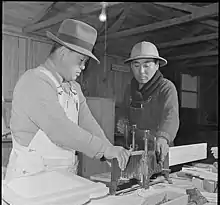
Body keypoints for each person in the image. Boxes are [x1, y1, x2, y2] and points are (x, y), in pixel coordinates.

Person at [5, 19, 130, 182]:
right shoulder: (34, 81)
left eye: (86, 62)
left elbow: (88, 123)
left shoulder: (74, 89)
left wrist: (109, 149)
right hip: (30, 181)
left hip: (63, 179)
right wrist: (103, 149)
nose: (84, 67)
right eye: (81, 60)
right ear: (63, 52)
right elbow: (60, 130)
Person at [117, 41, 179, 165]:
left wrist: (163, 138)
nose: (141, 71)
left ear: (157, 65)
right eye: (136, 65)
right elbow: (123, 111)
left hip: (158, 151)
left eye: (146, 65)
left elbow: (171, 116)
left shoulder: (166, 87)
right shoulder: (129, 89)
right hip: (134, 150)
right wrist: (122, 122)